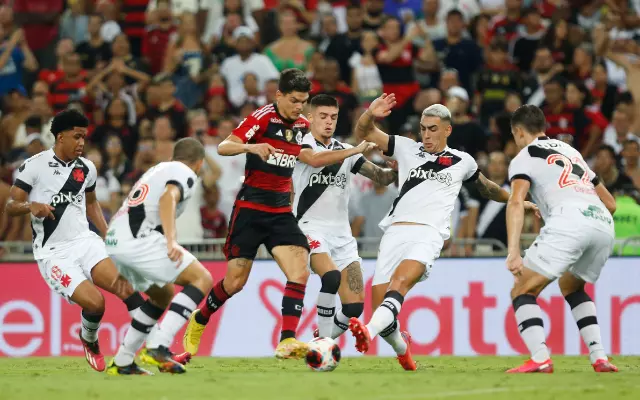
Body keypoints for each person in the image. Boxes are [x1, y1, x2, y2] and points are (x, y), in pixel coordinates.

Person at [347, 94, 538, 370]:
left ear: (447, 130)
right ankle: (402, 348)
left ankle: (367, 331)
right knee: (382, 311)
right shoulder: (405, 147)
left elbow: (488, 188)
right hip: (394, 232)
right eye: (423, 128)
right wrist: (370, 113)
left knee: (400, 283)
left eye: (433, 129)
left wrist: (516, 200)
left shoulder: (463, 161)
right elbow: (363, 133)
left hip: (429, 233)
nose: (426, 134)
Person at [183, 69, 316, 360]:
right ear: (279, 95)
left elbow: (303, 159)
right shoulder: (262, 117)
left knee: (300, 271)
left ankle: (287, 340)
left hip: (280, 211)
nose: (299, 107)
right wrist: (251, 146)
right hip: (251, 209)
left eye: (304, 101)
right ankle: (200, 319)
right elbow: (223, 146)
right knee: (235, 283)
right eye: (294, 100)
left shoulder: (304, 125)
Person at [4, 109, 145, 372]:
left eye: (84, 137)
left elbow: (92, 205)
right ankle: (89, 339)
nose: (82, 143)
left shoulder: (86, 168)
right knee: (95, 303)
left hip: (85, 241)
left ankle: (152, 347)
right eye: (77, 137)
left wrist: (109, 238)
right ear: (60, 137)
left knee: (125, 288)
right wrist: (30, 206)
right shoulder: (34, 166)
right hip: (53, 253)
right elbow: (11, 204)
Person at [505, 104, 618, 373]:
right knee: (572, 286)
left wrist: (513, 251)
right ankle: (599, 356)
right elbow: (611, 204)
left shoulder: (524, 156)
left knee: (522, 289)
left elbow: (516, 202)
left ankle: (540, 356)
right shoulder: (571, 151)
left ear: (519, 132)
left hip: (571, 222)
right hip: (602, 223)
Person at [106, 137, 213, 375]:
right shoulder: (185, 172)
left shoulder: (158, 169)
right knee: (202, 279)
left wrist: (123, 261)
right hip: (138, 239)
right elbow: (168, 198)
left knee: (162, 294)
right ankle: (159, 345)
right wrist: (171, 239)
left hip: (117, 240)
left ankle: (123, 361)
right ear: (199, 163)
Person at [292, 94, 395, 340]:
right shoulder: (301, 144)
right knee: (330, 277)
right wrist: (356, 151)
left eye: (334, 117)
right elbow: (315, 160)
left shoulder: (347, 151)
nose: (329, 122)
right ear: (310, 118)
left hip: (342, 234)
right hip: (309, 229)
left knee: (354, 307)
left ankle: (320, 337)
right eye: (323, 116)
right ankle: (323, 344)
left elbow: (380, 177)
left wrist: (398, 167)